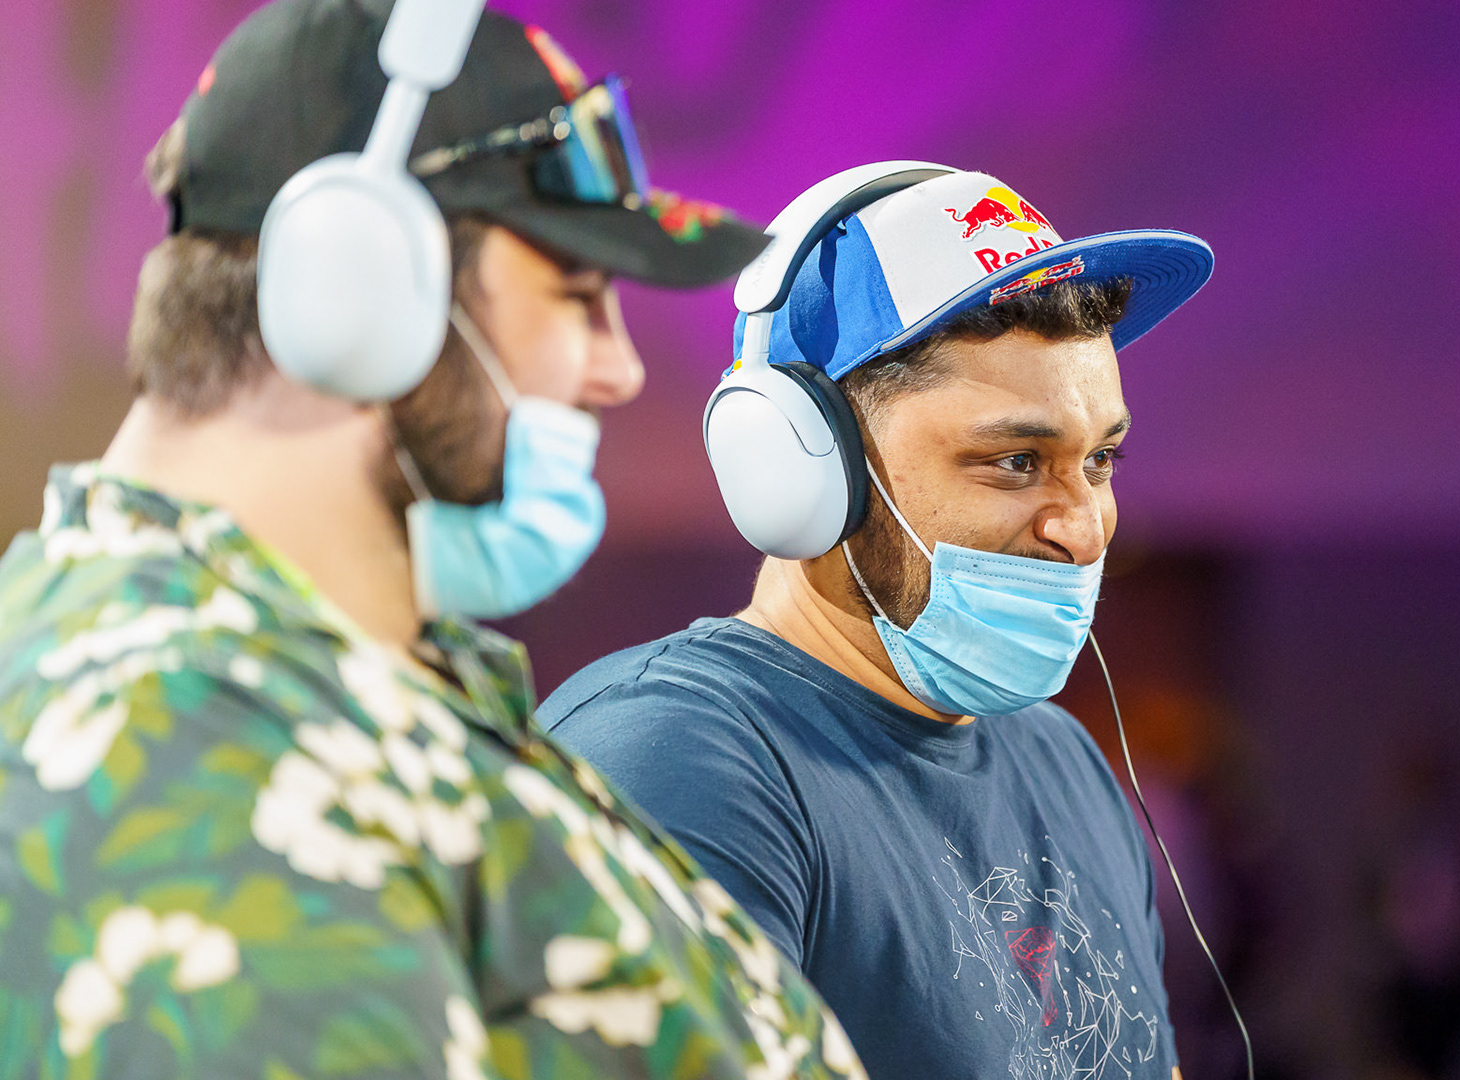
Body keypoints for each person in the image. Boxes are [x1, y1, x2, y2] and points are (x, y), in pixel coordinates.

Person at [0, 1, 863, 1076]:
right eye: (577, 295)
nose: (621, 368)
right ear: (351, 291)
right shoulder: (178, 746)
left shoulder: (318, 671)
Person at [542, 166, 1213, 1079]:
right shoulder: (673, 763)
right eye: (1017, 461)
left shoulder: (1065, 763)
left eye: (1100, 462)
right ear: (804, 465)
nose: (1085, 527)